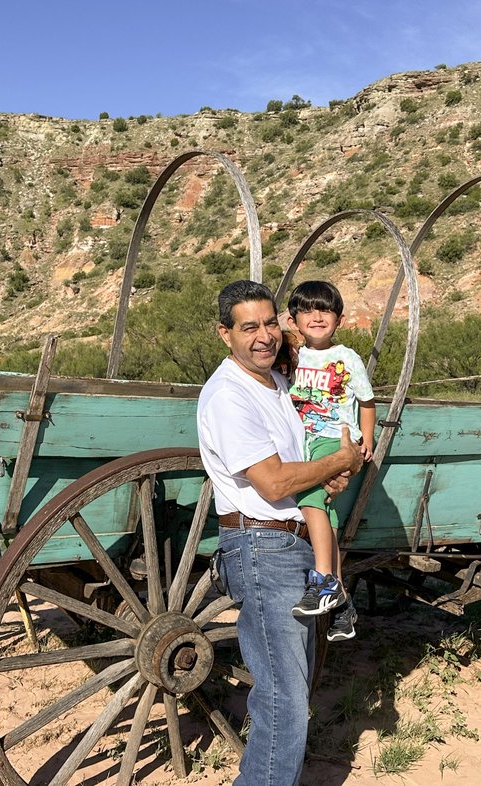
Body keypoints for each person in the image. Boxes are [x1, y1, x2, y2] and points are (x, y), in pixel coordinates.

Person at [197, 280, 363, 786]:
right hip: (262, 547)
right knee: (284, 696)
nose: (265, 336)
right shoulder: (229, 395)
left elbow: (299, 467)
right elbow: (272, 482)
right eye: (249, 327)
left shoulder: (277, 387)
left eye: (271, 323)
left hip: (290, 545)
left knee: (289, 689)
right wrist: (342, 459)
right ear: (225, 334)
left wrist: (327, 472)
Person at [286, 280, 376, 642]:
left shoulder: (347, 358)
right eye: (307, 310)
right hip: (301, 440)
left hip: (335, 440)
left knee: (310, 497)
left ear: (339, 318)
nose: (317, 316)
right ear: (294, 320)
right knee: (327, 513)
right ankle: (342, 603)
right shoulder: (291, 355)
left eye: (325, 310)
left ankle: (323, 580)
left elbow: (366, 402)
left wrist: (365, 439)